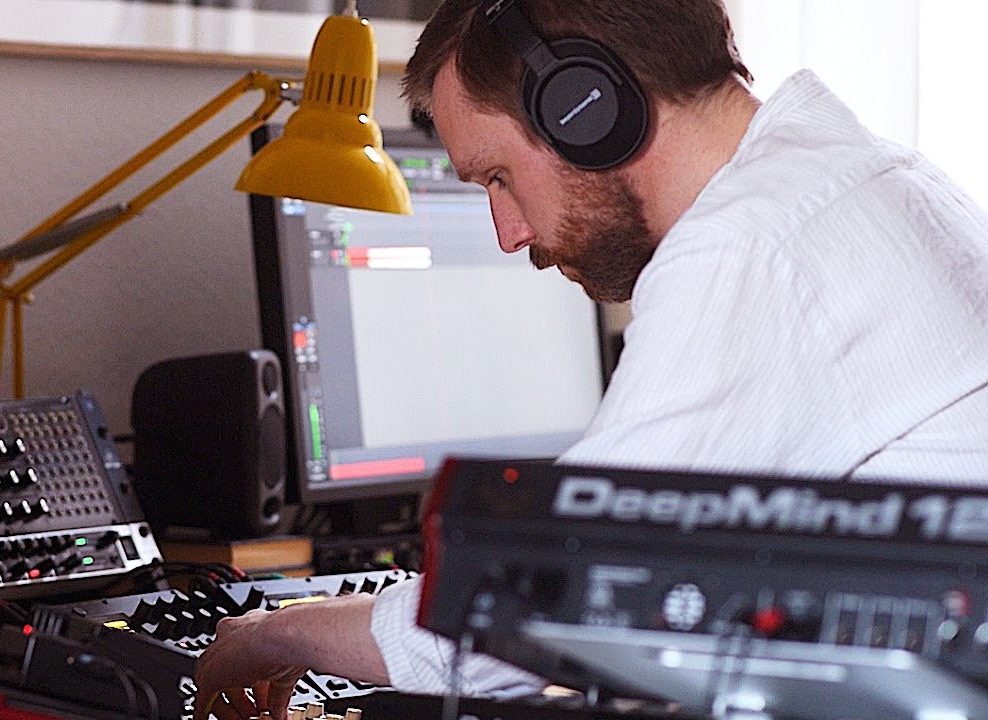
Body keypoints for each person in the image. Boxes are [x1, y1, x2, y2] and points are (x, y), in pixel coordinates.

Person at [192, 0, 988, 717]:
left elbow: (521, 611)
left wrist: (276, 631)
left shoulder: (751, 248)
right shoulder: (866, 177)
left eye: (499, 177)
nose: (509, 233)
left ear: (585, 109)